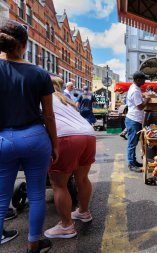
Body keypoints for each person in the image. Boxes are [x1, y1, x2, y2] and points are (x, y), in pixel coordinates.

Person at [0, 19, 58, 252]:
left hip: (3, 138)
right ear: (24, 45)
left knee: (1, 196)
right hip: (35, 138)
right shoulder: (39, 73)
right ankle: (34, 244)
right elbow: (50, 116)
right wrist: (55, 144)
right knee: (36, 194)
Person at [44, 77, 96, 239]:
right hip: (88, 135)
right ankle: (83, 212)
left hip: (67, 137)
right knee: (82, 178)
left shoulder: (42, 97)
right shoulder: (65, 100)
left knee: (59, 184)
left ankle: (66, 226)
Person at [126, 71, 151, 172]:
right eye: (143, 79)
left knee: (134, 142)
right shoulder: (135, 91)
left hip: (134, 119)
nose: (144, 81)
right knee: (132, 143)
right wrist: (147, 100)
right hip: (133, 119)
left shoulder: (136, 88)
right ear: (137, 80)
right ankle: (131, 164)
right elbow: (140, 106)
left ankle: (133, 161)